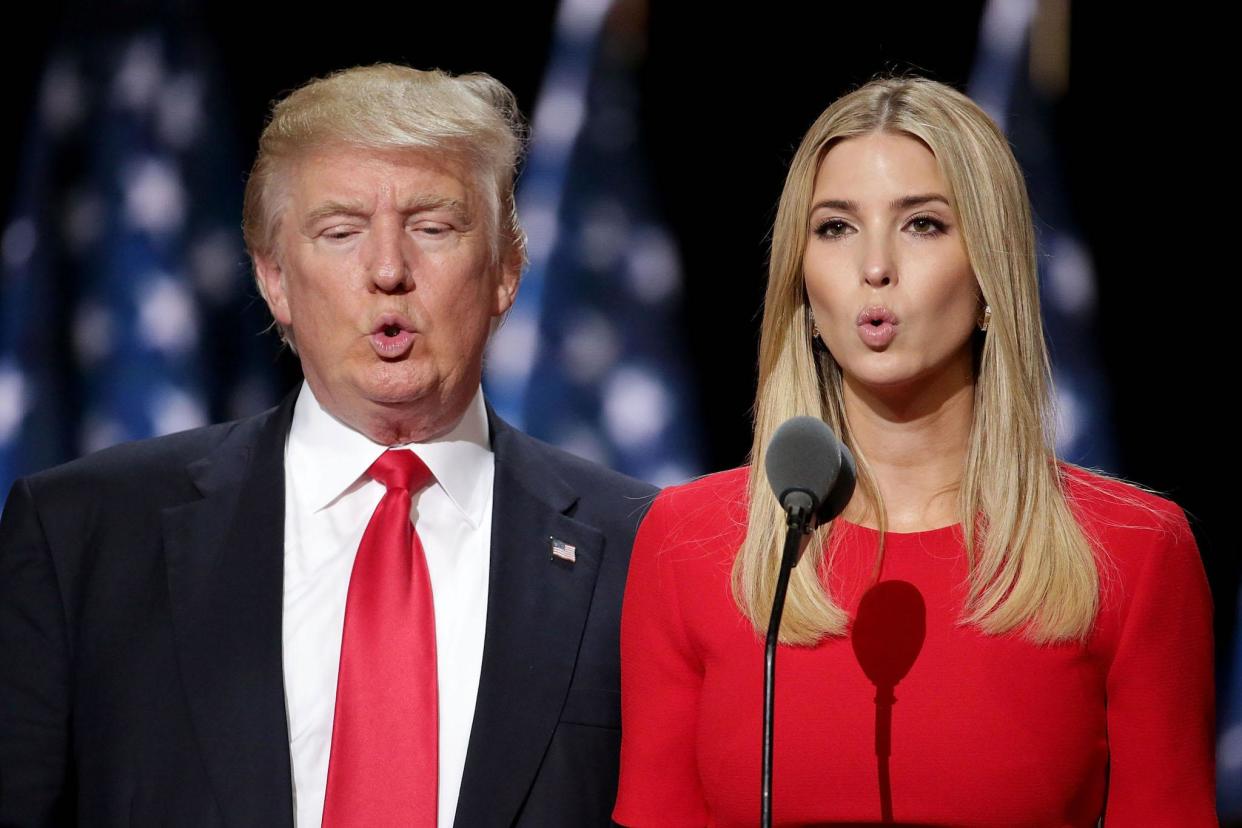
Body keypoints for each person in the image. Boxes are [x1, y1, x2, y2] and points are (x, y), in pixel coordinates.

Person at [0, 64, 656, 827]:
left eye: (433, 227)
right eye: (340, 231)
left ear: (507, 269)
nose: (387, 271)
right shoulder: (82, 534)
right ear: (274, 278)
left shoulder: (642, 546)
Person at [613, 76, 1215, 826]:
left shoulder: (1135, 551)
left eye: (922, 224)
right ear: (800, 285)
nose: (875, 267)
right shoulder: (688, 542)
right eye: (835, 227)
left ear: (992, 272)